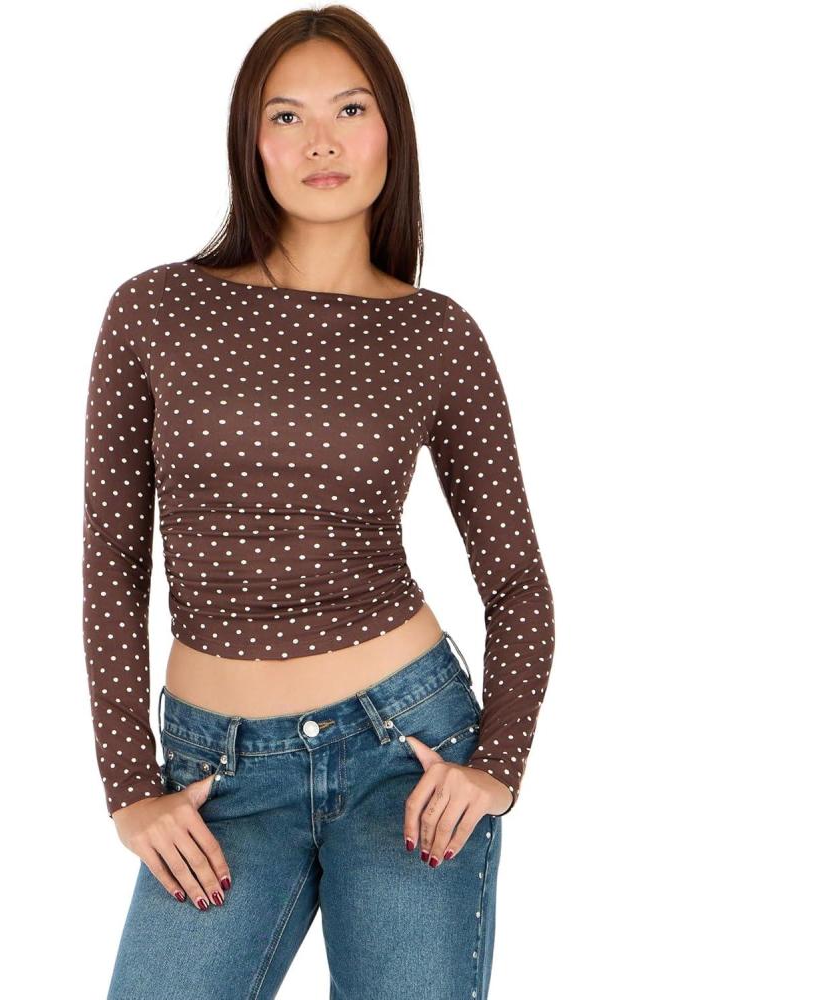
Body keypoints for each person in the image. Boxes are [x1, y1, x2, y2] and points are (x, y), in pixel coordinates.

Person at [81, 7, 555, 998]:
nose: (321, 142)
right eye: (286, 117)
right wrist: (129, 785)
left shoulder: (436, 334)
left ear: (392, 131)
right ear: (250, 143)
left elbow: (516, 580)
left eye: (350, 109)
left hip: (404, 755)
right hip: (216, 775)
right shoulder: (155, 309)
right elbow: (113, 562)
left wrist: (496, 764)